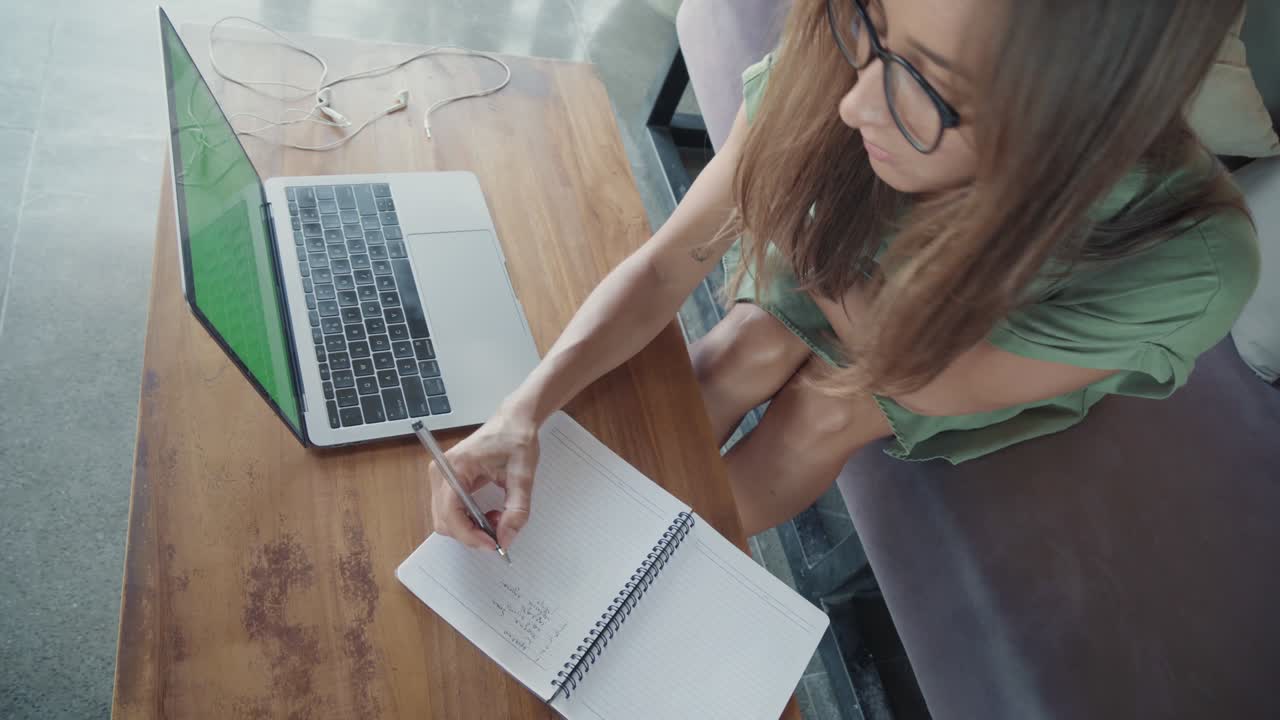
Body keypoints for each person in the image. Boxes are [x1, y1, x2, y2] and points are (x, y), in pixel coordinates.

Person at [431, 0, 1260, 549]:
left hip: (965, 346)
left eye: (928, 87)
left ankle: (639, 572)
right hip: (848, 252)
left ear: (1073, 129)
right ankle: (568, 545)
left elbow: (914, 378)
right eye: (877, 30)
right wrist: (522, 411)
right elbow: (664, 267)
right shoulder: (859, 54)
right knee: (745, 347)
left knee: (830, 405)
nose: (852, 106)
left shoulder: (1183, 259)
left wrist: (800, 230)